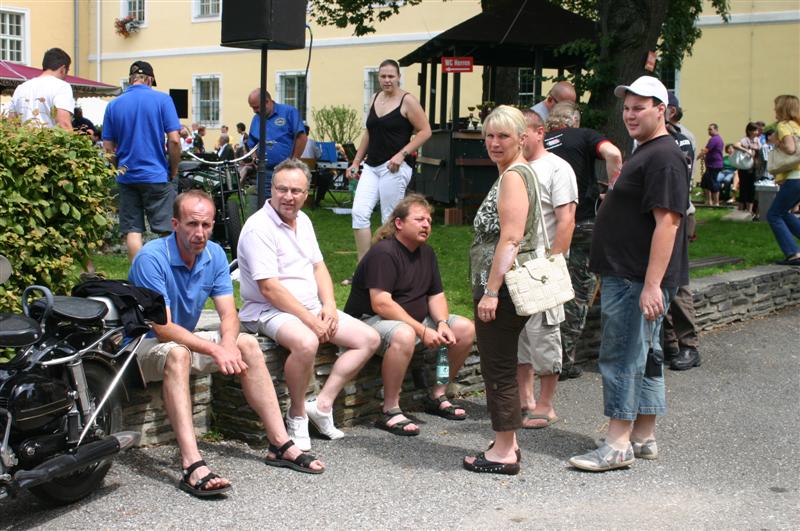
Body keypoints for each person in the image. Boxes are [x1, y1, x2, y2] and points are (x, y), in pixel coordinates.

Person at [129, 189, 324, 498]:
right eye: (192, 224)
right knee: (178, 353)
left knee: (246, 343)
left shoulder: (215, 255)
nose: (200, 233)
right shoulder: (152, 258)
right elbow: (162, 327)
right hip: (140, 348)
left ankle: (279, 443)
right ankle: (192, 465)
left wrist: (229, 344)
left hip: (181, 343)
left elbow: (228, 314)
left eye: (206, 225)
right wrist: (214, 349)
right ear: (175, 224)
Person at [569, 76, 689, 472]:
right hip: (633, 275)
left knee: (622, 355)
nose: (630, 114)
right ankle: (642, 436)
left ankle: (617, 444)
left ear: (662, 110)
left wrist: (652, 284)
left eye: (640, 107)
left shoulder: (663, 156)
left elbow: (669, 223)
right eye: (627, 107)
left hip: (637, 277)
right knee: (647, 354)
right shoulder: (649, 151)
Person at [236, 159, 379, 452]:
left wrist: (328, 305)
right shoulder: (258, 227)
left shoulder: (304, 221)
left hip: (310, 306)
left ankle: (322, 405)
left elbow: (319, 267)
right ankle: (297, 414)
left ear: (307, 192)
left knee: (369, 338)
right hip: (267, 310)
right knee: (305, 342)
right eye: (282, 189)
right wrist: (311, 321)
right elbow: (269, 288)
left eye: (296, 191)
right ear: (271, 189)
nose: (288, 196)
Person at [343, 194, 476, 436]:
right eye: (419, 219)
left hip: (413, 320)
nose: (426, 224)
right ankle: (390, 409)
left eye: (429, 220)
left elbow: (435, 295)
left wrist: (443, 323)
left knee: (464, 329)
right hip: (370, 321)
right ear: (399, 223)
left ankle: (437, 394)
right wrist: (421, 329)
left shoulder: (427, 253)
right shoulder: (384, 253)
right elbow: (381, 303)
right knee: (404, 334)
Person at [464, 105, 541, 475]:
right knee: (503, 365)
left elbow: (510, 238)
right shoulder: (515, 173)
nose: (494, 143)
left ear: (521, 139)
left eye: (503, 136)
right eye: (489, 136)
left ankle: (504, 452)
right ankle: (505, 441)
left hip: (503, 288)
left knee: (498, 368)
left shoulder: (513, 177)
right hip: (504, 285)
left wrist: (491, 291)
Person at [543, 102, 623, 381]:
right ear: (574, 119)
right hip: (582, 223)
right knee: (577, 293)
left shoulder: (540, 141)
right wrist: (613, 190)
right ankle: (564, 360)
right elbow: (612, 153)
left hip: (548, 226)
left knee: (546, 289)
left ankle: (542, 358)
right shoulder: (585, 135)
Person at [516, 110, 577, 428]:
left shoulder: (558, 168)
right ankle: (525, 400)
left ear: (540, 132)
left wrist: (553, 262)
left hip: (543, 266)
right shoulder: (513, 168)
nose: (518, 138)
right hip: (516, 268)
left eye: (522, 132)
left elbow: (566, 219)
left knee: (544, 335)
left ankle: (545, 404)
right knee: (520, 337)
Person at [346, 59, 432, 276]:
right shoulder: (375, 98)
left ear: (398, 77)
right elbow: (369, 133)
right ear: (378, 77)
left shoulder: (407, 100)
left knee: (390, 219)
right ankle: (363, 268)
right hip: (372, 166)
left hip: (394, 168)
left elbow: (425, 131)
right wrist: (356, 161)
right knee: (359, 213)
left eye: (391, 76)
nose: (387, 80)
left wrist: (401, 155)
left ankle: (391, 268)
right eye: (383, 76)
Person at [102, 60, 181, 262]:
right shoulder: (163, 100)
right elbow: (174, 140)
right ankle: (168, 273)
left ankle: (138, 278)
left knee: (133, 230)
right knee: (166, 231)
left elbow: (108, 148)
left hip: (127, 176)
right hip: (156, 174)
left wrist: (117, 169)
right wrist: (173, 169)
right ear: (150, 79)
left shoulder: (113, 105)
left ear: (131, 80)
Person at [246, 89, 307, 198]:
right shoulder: (256, 119)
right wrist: (254, 158)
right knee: (264, 205)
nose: (254, 111)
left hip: (285, 170)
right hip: (264, 171)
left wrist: (293, 161)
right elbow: (252, 143)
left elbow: (301, 138)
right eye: (252, 108)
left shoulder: (289, 112)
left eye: (256, 107)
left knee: (284, 203)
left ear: (267, 101)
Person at [766, 94, 800, 266]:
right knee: (784, 212)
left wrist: (776, 142)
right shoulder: (798, 126)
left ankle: (793, 253)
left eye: (776, 107)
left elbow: (791, 148)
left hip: (794, 177)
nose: (774, 111)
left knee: (773, 214)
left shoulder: (784, 126)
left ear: (783, 108)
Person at [9, 47, 74, 130]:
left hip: (25, 140)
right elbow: (64, 124)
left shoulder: (21, 88)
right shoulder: (62, 86)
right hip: (50, 141)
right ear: (63, 69)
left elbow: (11, 123)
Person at [733, 122, 762, 215]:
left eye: (757, 130)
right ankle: (741, 209)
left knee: (751, 189)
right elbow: (736, 145)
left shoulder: (757, 140)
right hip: (745, 168)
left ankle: (749, 210)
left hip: (754, 167)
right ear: (749, 131)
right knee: (744, 188)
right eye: (755, 130)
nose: (757, 132)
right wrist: (747, 150)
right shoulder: (745, 140)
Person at [698, 123, 724, 206]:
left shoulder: (715, 139)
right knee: (705, 182)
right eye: (708, 129)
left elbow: (706, 150)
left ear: (716, 129)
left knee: (713, 183)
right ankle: (709, 201)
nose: (709, 131)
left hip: (715, 165)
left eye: (710, 129)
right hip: (711, 164)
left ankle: (716, 202)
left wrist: (697, 157)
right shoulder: (715, 139)